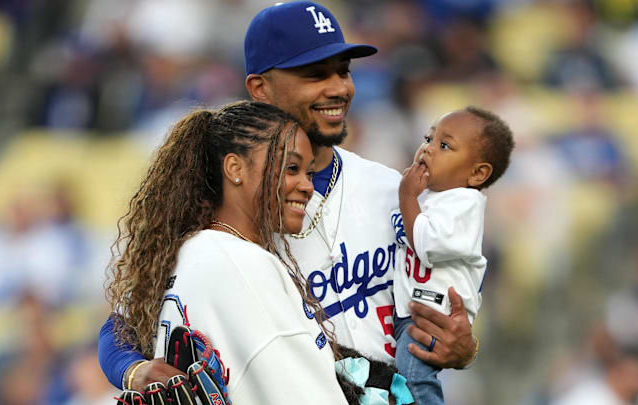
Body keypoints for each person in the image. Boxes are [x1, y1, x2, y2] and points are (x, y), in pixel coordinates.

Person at [99, 0, 479, 394]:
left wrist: (463, 347)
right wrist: (136, 371)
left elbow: (439, 315)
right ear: (259, 88)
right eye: (315, 74)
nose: (339, 88)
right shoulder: (229, 213)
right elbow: (123, 325)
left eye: (343, 71)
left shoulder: (391, 193)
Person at [106, 100, 349, 403]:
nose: (307, 186)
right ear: (235, 168)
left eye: (309, 173)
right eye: (292, 168)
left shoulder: (182, 254)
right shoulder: (242, 263)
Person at [391, 106, 514, 402]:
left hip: (436, 315)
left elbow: (427, 242)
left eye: (444, 145)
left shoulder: (465, 205)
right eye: (428, 138)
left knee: (412, 378)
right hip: (415, 307)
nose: (428, 149)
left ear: (477, 173)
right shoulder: (433, 196)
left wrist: (407, 196)